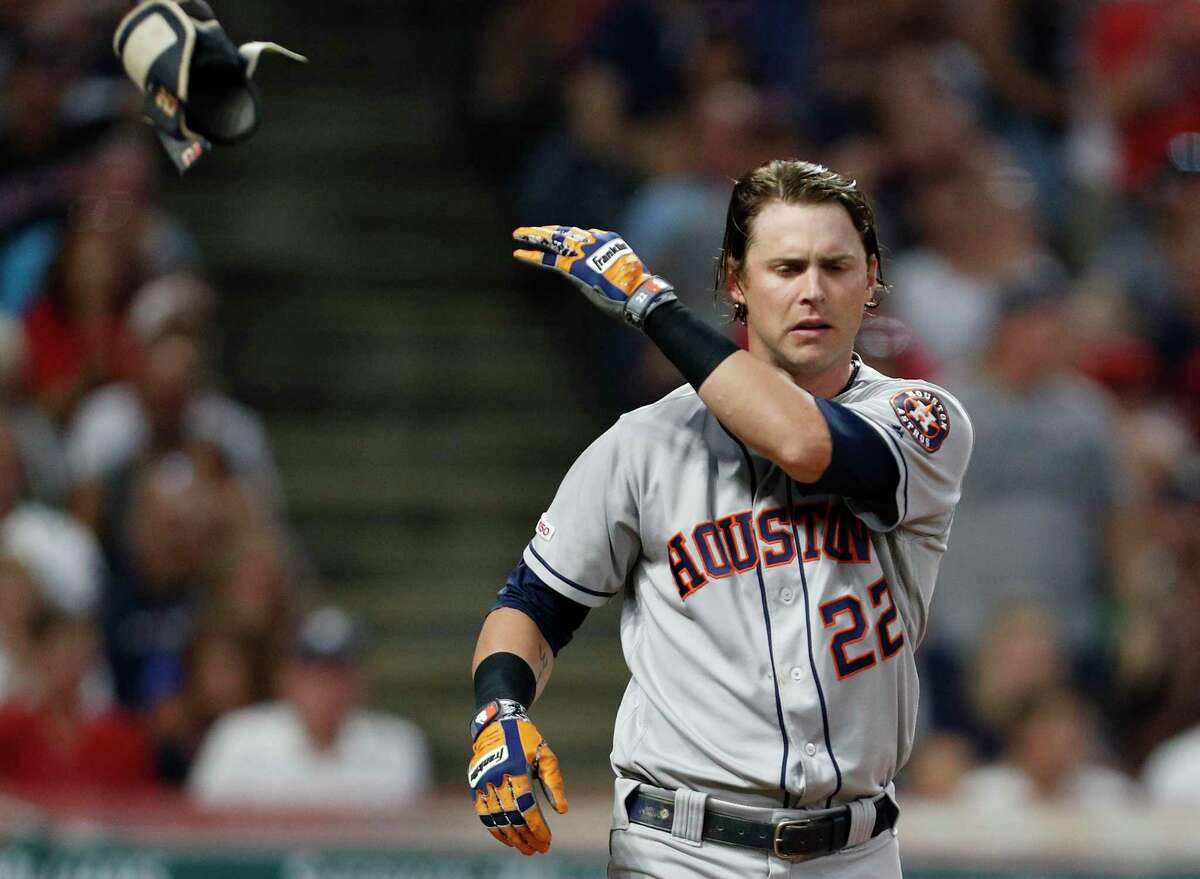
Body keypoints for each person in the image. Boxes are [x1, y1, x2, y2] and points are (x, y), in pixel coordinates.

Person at [467, 159, 974, 877]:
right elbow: (533, 604)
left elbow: (802, 442)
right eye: (785, 267)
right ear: (735, 281)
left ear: (872, 280)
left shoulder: (920, 418)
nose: (812, 290)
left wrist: (649, 302)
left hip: (855, 853)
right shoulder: (644, 444)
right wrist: (499, 710)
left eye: (836, 266)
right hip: (678, 850)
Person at [187, 606, 432, 809]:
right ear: (286, 677)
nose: (326, 687)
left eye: (338, 673)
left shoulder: (399, 747)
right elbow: (202, 837)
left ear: (361, 680)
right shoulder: (238, 739)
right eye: (313, 672)